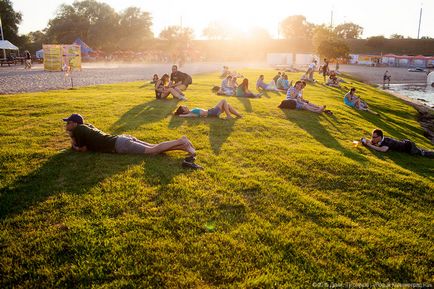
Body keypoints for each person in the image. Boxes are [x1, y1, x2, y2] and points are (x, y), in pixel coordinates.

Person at [63, 113, 202, 168]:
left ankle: (181, 140)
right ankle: (181, 145)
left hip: (120, 145)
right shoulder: (87, 127)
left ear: (75, 123)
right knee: (154, 149)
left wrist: (73, 144)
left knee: (153, 150)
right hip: (122, 139)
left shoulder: (79, 130)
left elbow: (82, 149)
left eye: (68, 122)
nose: (66, 125)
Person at [361, 128, 433, 158]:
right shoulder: (379, 139)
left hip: (409, 147)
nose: (372, 138)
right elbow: (372, 142)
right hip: (404, 142)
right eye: (372, 136)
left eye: (374, 137)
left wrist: (369, 145)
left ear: (379, 137)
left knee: (423, 153)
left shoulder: (387, 142)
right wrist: (365, 141)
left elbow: (382, 150)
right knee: (422, 150)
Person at [174, 99, 242, 119]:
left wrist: (178, 114)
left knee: (227, 105)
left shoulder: (191, 111)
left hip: (212, 112)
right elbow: (189, 116)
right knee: (223, 100)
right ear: (184, 112)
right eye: (184, 107)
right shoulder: (191, 113)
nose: (186, 106)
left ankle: (238, 115)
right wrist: (181, 115)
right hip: (212, 112)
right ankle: (229, 116)